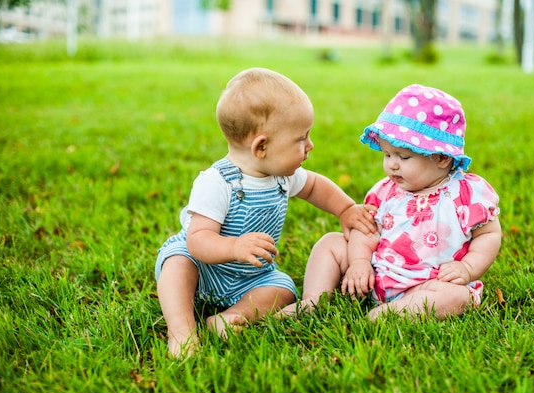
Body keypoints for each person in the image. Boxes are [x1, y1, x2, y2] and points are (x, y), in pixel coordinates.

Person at [155, 67, 377, 357]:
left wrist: (346, 209)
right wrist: (234, 246)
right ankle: (182, 332)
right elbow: (198, 240)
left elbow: (314, 187)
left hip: (252, 277)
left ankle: (230, 317)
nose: (310, 146)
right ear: (261, 146)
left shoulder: (281, 176)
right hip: (205, 269)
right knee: (177, 263)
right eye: (301, 139)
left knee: (283, 288)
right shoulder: (216, 182)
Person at [280, 84, 502, 321]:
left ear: (441, 157)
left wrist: (467, 268)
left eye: (403, 157)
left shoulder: (466, 193)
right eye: (387, 154)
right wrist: (359, 262)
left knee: (458, 296)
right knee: (331, 243)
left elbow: (488, 234)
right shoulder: (386, 191)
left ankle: (397, 312)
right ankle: (312, 300)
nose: (392, 165)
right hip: (375, 274)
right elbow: (366, 230)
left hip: (428, 283)